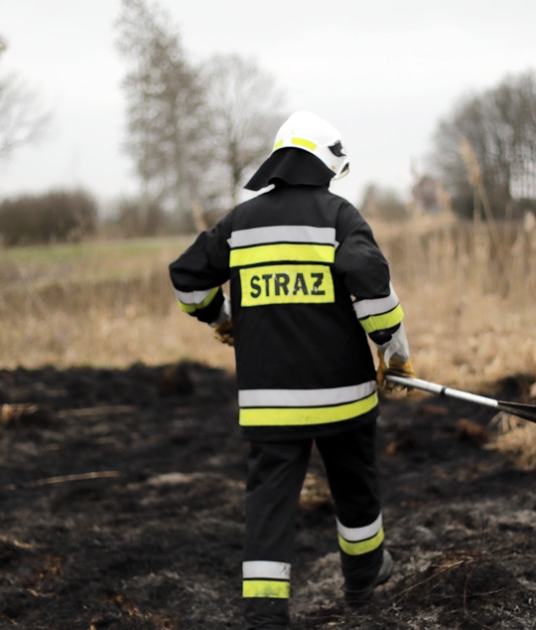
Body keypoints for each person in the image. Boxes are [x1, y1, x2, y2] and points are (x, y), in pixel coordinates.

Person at [169, 110, 416, 629]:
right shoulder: (340, 217)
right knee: (355, 486)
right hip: (343, 396)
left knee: (269, 503)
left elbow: (188, 279)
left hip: (269, 402)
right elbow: (372, 287)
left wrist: (222, 316)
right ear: (327, 163)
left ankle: (264, 614)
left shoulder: (239, 223)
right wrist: (393, 353)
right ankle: (365, 576)